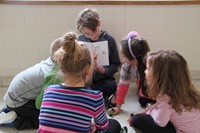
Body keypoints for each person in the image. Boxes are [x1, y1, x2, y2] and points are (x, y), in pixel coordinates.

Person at [37, 32, 127, 133]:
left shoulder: (49, 91)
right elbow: (103, 128)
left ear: (61, 68)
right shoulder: (95, 98)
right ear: (89, 69)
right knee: (114, 125)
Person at [129, 49, 200, 133]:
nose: (145, 71)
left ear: (159, 77)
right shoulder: (182, 89)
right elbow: (161, 105)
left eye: (147, 69)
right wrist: (149, 109)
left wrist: (151, 111)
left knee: (136, 120)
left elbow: (161, 122)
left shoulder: (165, 99)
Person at [0, 37, 62, 130]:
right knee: (48, 120)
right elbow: (39, 104)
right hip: (18, 102)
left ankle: (10, 111)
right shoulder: (52, 75)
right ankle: (15, 121)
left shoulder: (50, 62)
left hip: (13, 97)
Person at [76, 8, 121, 99]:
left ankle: (88, 95)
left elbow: (116, 65)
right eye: (88, 33)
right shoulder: (80, 40)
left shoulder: (109, 40)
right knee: (77, 86)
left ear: (99, 23)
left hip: (104, 79)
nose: (92, 35)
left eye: (95, 31)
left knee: (112, 86)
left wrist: (103, 70)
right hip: (85, 79)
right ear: (82, 31)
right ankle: (93, 95)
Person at [107, 31, 155, 116]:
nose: (122, 58)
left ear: (134, 60)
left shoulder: (152, 66)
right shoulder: (127, 65)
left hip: (157, 90)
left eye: (124, 56)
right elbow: (122, 85)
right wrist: (118, 107)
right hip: (144, 87)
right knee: (143, 99)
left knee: (147, 98)